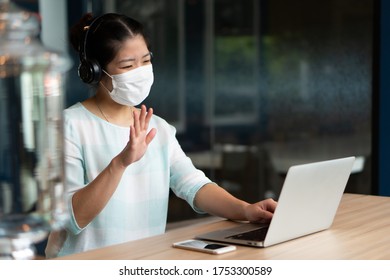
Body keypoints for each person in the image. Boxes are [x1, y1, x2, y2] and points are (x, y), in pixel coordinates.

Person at [45, 12, 277, 258]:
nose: (140, 71)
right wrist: (121, 162)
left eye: (146, 60)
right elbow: (71, 218)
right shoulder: (68, 126)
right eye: (127, 65)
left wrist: (246, 210)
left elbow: (193, 185)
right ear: (94, 71)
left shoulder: (159, 128)